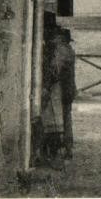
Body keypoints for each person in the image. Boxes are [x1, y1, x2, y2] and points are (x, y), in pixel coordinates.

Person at [41, 23, 64, 166]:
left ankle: (52, 153)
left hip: (52, 90)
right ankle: (49, 153)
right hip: (50, 89)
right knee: (50, 123)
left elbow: (54, 73)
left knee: (52, 123)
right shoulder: (49, 53)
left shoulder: (53, 53)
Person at [56, 27, 77, 159]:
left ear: (61, 39)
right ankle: (68, 148)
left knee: (64, 119)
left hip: (63, 89)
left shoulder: (62, 51)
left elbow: (57, 70)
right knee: (66, 118)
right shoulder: (69, 50)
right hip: (69, 88)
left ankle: (67, 148)